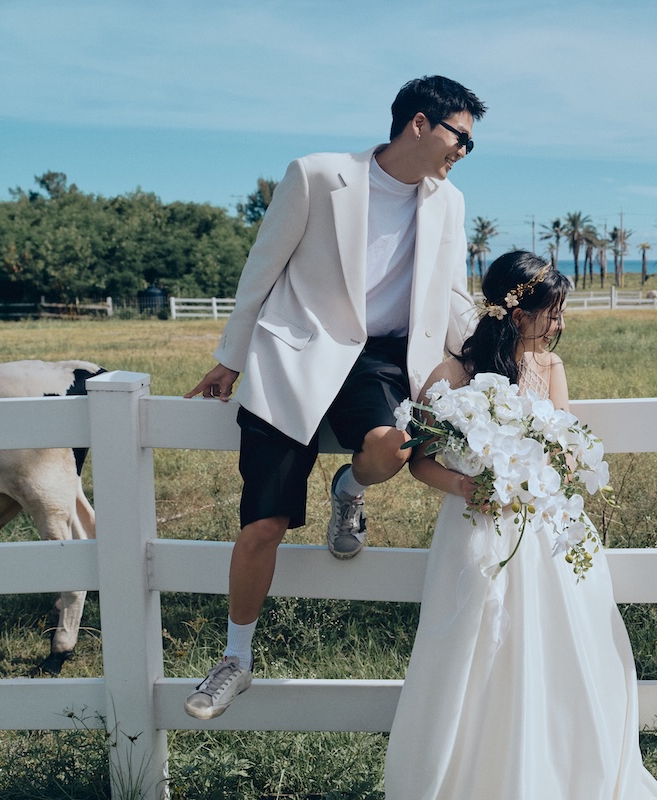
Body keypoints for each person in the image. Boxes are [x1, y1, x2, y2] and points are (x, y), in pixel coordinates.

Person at [181, 75, 486, 720]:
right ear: (420, 123)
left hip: (382, 360)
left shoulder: (449, 202)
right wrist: (231, 358)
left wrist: (494, 359)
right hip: (295, 354)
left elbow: (452, 292)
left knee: (391, 449)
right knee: (263, 525)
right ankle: (235, 659)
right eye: (460, 136)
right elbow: (263, 266)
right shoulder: (318, 175)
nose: (464, 150)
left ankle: (348, 488)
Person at [384, 251, 657, 799]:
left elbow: (564, 444)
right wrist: (465, 485)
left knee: (557, 648)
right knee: (476, 652)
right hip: (475, 530)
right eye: (553, 313)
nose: (560, 324)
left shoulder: (550, 368)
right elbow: (420, 462)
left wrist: (547, 468)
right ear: (519, 314)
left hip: (544, 528)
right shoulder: (452, 375)